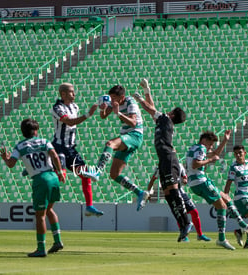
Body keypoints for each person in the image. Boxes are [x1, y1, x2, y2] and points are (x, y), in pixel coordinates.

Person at [133, 79, 192, 242]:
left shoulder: (166, 119)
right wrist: (147, 90)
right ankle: (183, 227)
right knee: (167, 194)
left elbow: (150, 109)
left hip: (168, 158)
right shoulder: (163, 121)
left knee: (173, 191)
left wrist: (140, 100)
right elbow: (153, 111)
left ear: (172, 114)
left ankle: (186, 223)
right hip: (163, 158)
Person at [0, 118, 65, 257]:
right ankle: (57, 240)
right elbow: (54, 155)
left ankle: (41, 248)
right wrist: (60, 173)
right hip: (53, 177)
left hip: (40, 180)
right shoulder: (44, 141)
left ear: (23, 132)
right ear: (36, 131)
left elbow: (11, 164)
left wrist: (5, 158)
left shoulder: (20, 146)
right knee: (49, 210)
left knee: (40, 215)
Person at [186, 131, 248, 250]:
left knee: (226, 198)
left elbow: (215, 154)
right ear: (204, 140)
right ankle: (223, 238)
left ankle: (242, 225)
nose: (211, 147)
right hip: (200, 181)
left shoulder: (194, 147)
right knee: (222, 207)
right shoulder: (201, 148)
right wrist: (210, 161)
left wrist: (225, 140)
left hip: (197, 182)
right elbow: (195, 164)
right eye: (210, 144)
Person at [82, 84, 150, 211]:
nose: (112, 100)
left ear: (122, 97)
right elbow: (103, 116)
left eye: (114, 98)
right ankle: (140, 192)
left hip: (135, 135)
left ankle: (97, 171)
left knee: (110, 144)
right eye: (111, 98)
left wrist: (118, 113)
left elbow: (133, 123)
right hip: (126, 136)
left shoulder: (131, 102)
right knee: (114, 174)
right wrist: (103, 109)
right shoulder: (114, 103)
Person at [51, 83, 104, 217]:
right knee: (60, 174)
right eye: (71, 92)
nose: (74, 94)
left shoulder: (74, 107)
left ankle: (89, 206)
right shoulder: (57, 108)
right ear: (63, 94)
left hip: (71, 148)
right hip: (59, 146)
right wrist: (88, 115)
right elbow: (69, 122)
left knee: (86, 175)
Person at [148, 163, 211, 242]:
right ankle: (184, 236)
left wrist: (184, 180)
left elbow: (184, 177)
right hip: (171, 194)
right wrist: (148, 192)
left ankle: (200, 234)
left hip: (181, 192)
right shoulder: (161, 167)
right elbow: (153, 179)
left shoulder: (179, 165)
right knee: (179, 214)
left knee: (194, 212)